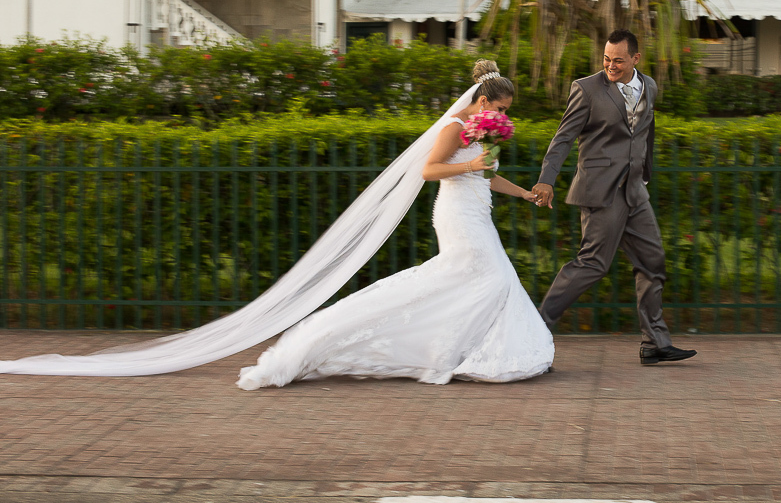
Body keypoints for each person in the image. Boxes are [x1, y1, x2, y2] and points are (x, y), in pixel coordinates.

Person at [0, 61, 553, 386]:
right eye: (501, 108)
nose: (504, 116)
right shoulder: (457, 126)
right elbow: (431, 170)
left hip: (475, 209)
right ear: (484, 99)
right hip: (455, 215)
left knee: (478, 280)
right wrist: (472, 164)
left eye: (506, 111)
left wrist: (524, 191)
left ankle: (459, 348)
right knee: (484, 276)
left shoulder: (482, 133)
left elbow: (485, 176)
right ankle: (369, 343)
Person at [533, 29, 696, 366]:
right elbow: (563, 137)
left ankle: (655, 343)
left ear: (635, 58)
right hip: (600, 190)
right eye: (607, 59)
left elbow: (646, 132)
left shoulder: (649, 86)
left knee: (652, 262)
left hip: (635, 190)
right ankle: (534, 328)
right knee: (592, 264)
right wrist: (547, 179)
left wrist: (645, 173)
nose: (610, 65)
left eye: (618, 60)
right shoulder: (587, 89)